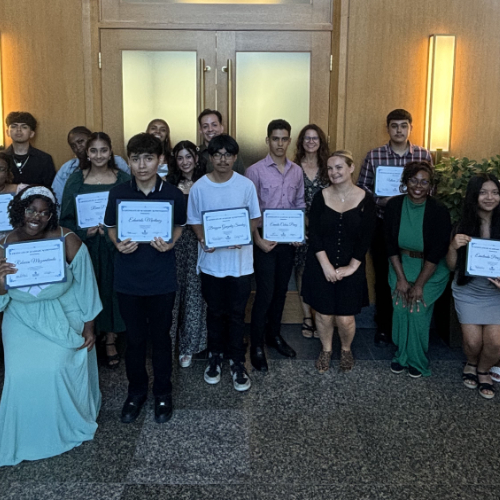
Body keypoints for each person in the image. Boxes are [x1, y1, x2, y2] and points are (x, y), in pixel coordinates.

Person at [0, 186, 102, 466]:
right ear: (19, 210)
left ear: (52, 215)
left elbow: (87, 284)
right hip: (20, 315)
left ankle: (64, 423)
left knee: (57, 366)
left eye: (45, 213)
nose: (37, 217)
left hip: (63, 312)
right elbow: (0, 299)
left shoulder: (66, 238)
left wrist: (89, 326)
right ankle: (26, 432)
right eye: (31, 209)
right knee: (20, 374)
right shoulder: (3, 243)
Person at [104, 133, 186, 424]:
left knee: (161, 339)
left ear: (160, 160)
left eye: (148, 158)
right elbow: (110, 226)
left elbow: (179, 224)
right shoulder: (118, 193)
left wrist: (171, 242)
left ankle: (163, 391)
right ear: (128, 161)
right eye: (136, 158)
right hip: (128, 279)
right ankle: (136, 391)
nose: (142, 165)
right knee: (135, 340)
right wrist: (117, 243)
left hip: (161, 280)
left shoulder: (174, 194)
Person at [188, 134, 261, 391]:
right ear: (209, 157)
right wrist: (202, 236)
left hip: (240, 263)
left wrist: (242, 235)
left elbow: (255, 218)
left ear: (235, 157)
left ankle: (237, 361)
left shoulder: (245, 186)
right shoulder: (199, 187)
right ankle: (215, 357)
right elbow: (194, 220)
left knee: (237, 314)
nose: (223, 159)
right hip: (211, 264)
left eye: (228, 155)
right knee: (215, 312)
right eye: (217, 154)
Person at [357, 109, 432, 346]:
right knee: (383, 275)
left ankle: (409, 324)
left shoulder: (423, 154)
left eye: (403, 125)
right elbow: (362, 188)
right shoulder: (375, 155)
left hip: (414, 225)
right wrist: (382, 200)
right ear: (387, 128)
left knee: (413, 273)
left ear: (411, 127)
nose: (399, 130)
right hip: (382, 224)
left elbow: (431, 188)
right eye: (394, 126)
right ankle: (384, 326)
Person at [60, 132, 130, 369]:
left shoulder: (123, 179)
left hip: (115, 247)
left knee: (113, 290)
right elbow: (65, 218)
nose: (99, 155)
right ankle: (92, 334)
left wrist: (113, 232)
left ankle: (111, 339)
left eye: (103, 150)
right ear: (86, 154)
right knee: (89, 291)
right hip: (86, 248)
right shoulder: (76, 180)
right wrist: (83, 232)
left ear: (111, 153)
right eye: (94, 151)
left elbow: (132, 214)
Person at [302, 151, 376, 373]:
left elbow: (367, 236)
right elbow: (313, 234)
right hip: (320, 263)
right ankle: (326, 350)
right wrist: (325, 265)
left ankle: (345, 349)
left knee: (345, 319)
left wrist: (352, 266)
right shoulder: (320, 197)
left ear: (351, 168)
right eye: (330, 168)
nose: (334, 172)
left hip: (351, 266)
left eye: (339, 167)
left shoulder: (366, 199)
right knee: (323, 314)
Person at [245, 119, 305, 372]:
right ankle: (256, 344)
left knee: (281, 291)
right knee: (265, 294)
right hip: (264, 242)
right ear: (267, 140)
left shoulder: (297, 171)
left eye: (284, 139)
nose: (280, 143)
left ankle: (274, 335)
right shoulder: (254, 171)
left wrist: (299, 233)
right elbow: (249, 211)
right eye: (275, 138)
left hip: (287, 242)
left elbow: (300, 204)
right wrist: (258, 241)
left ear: (289, 141)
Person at [384, 160, 451, 378]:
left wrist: (419, 285)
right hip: (400, 265)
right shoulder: (394, 206)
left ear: (430, 185)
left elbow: (437, 252)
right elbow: (389, 245)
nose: (418, 185)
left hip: (431, 271)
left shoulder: (439, 210)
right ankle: (400, 356)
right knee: (401, 308)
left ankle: (417, 360)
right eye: (413, 180)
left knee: (417, 310)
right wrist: (401, 279)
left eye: (424, 181)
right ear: (405, 181)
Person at [446, 174, 500, 399]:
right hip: (468, 290)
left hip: (496, 293)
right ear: (474, 196)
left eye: (495, 192)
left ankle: (483, 370)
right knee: (472, 341)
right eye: (483, 192)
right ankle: (471, 362)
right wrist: (452, 247)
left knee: (495, 342)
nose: (490, 197)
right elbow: (451, 267)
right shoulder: (462, 225)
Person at [167, 140, 207, 368]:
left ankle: (189, 347)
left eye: (188, 156)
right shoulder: (168, 185)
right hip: (173, 245)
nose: (185, 162)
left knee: (194, 294)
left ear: (196, 158)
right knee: (172, 296)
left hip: (198, 244)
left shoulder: (206, 183)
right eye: (180, 157)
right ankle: (168, 343)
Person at [293, 124, 329, 338]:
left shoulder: (330, 165)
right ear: (301, 142)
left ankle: (321, 316)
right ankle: (307, 316)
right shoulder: (294, 166)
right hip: (300, 227)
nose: (311, 141)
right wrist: (303, 222)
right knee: (302, 270)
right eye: (307, 138)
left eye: (315, 138)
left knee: (322, 270)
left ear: (321, 141)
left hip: (326, 228)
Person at [52, 126, 130, 206]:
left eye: (81, 141)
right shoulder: (68, 171)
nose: (78, 148)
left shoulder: (119, 164)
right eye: (73, 146)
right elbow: (59, 202)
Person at [4, 111, 56, 187]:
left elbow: (50, 189)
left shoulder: (44, 159)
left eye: (24, 127)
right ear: (7, 132)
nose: (18, 129)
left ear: (32, 133)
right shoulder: (2, 157)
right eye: (14, 126)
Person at [197, 109, 245, 175]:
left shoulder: (232, 151)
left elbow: (241, 178)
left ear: (221, 128)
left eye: (214, 125)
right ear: (200, 130)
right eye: (205, 126)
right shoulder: (196, 154)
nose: (210, 129)